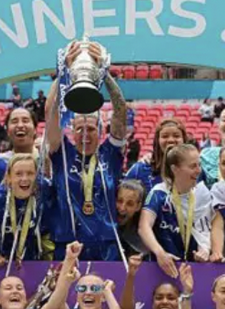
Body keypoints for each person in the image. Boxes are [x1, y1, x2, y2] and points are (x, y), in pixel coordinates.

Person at [44, 42, 128, 261]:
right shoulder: (63, 154)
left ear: (100, 131)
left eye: (91, 129)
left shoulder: (110, 153)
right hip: (68, 243)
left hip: (106, 244)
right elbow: (50, 111)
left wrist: (104, 74)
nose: (85, 134)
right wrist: (63, 74)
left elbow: (121, 110)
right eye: (79, 129)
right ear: (72, 131)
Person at [139, 144, 211, 277]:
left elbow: (204, 231)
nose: (198, 170)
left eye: (199, 165)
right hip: (160, 268)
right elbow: (144, 227)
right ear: (175, 169)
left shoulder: (202, 193)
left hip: (192, 270)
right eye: (193, 166)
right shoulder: (159, 193)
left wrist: (204, 250)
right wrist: (160, 253)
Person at [125, 118, 189, 193]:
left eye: (176, 136)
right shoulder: (140, 169)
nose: (171, 140)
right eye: (165, 136)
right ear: (157, 141)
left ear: (184, 140)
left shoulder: (193, 170)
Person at [115, 179, 147, 256]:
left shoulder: (143, 238)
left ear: (138, 206)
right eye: (119, 201)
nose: (122, 208)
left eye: (130, 204)